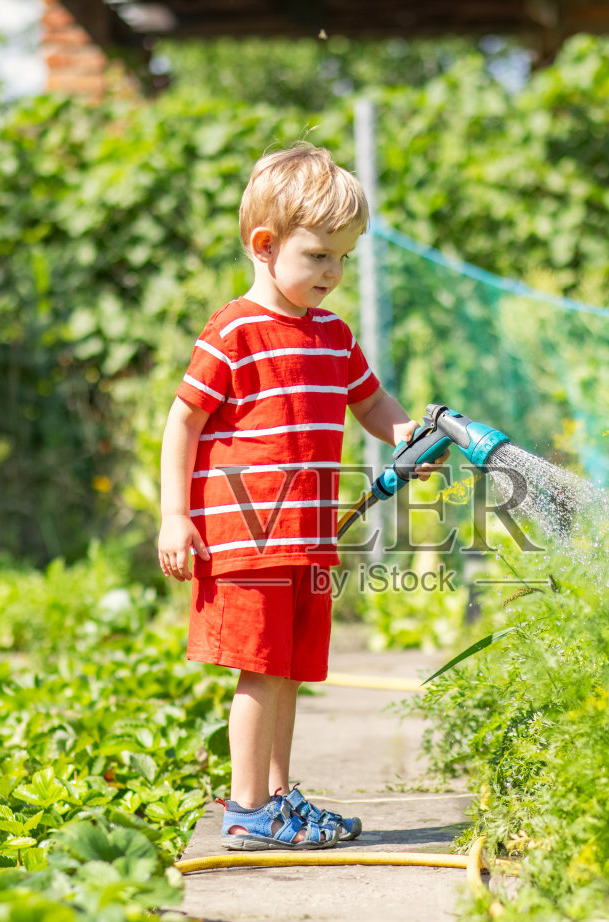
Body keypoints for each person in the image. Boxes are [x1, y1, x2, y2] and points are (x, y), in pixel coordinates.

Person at [156, 143, 423, 850]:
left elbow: (372, 404)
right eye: (318, 257)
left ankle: (278, 795)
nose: (333, 273)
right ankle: (247, 809)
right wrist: (174, 515)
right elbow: (183, 418)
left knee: (290, 673)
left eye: (343, 257)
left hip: (308, 536)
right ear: (265, 246)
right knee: (260, 670)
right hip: (245, 539)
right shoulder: (235, 330)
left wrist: (408, 434)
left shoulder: (334, 336)